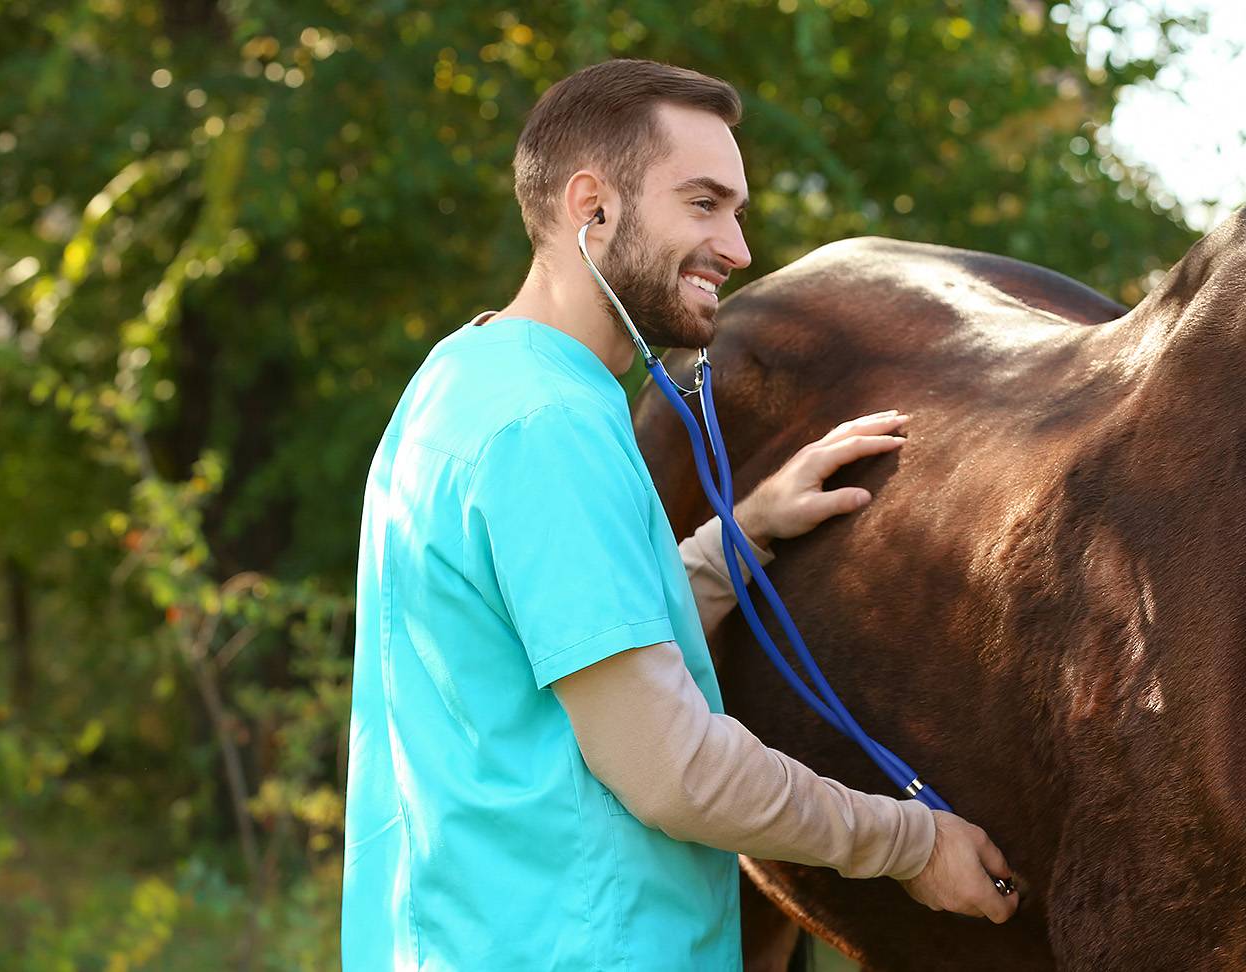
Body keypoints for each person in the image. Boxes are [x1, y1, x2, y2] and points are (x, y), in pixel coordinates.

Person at [340, 58, 1018, 970]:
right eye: (704, 205)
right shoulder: (549, 432)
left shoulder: (466, 380)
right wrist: (909, 842)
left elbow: (551, 651)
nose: (738, 250)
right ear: (594, 207)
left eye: (737, 213)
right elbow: (673, 770)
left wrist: (744, 538)